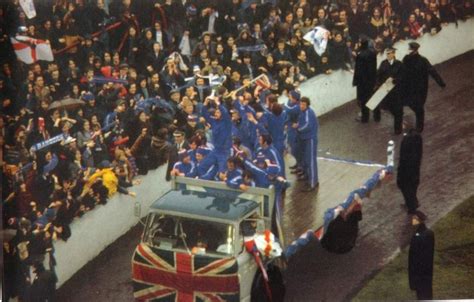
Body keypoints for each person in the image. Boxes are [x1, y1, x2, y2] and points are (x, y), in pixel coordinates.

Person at [401, 42, 446, 132]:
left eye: (409, 48)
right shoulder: (406, 59)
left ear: (414, 50)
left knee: (419, 108)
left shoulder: (423, 60)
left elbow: (432, 71)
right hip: (408, 87)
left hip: (419, 89)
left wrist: (441, 83)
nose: (408, 50)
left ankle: (419, 127)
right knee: (410, 104)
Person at [293, 97, 319, 192]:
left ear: (307, 105)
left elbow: (307, 125)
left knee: (311, 161)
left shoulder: (309, 113)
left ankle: (313, 183)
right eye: (300, 104)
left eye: (303, 104)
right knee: (307, 159)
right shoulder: (302, 113)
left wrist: (298, 128)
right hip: (304, 138)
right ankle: (309, 177)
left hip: (310, 139)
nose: (301, 106)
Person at [376, 47, 404, 134]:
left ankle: (397, 129)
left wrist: (395, 80)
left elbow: (403, 76)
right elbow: (378, 75)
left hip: (396, 91)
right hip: (386, 91)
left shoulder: (399, 64)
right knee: (390, 108)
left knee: (398, 110)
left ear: (393, 54)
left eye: (389, 53)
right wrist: (378, 84)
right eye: (386, 53)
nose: (387, 55)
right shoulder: (383, 63)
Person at [409, 214, 435, 300]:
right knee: (422, 294)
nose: (413, 222)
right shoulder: (419, 233)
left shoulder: (424, 234)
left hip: (421, 271)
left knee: (424, 294)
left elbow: (421, 255)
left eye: (415, 219)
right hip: (421, 272)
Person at [397, 129, 423, 214]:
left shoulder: (406, 141)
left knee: (405, 186)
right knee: (413, 184)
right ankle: (412, 202)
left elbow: (402, 157)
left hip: (405, 169)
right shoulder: (418, 140)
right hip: (415, 167)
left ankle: (412, 206)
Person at [353, 37, 378, 123]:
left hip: (362, 82)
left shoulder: (360, 55)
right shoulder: (373, 53)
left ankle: (365, 118)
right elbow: (374, 68)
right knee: (373, 97)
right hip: (371, 80)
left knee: (363, 100)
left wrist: (356, 81)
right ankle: (377, 116)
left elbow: (358, 70)